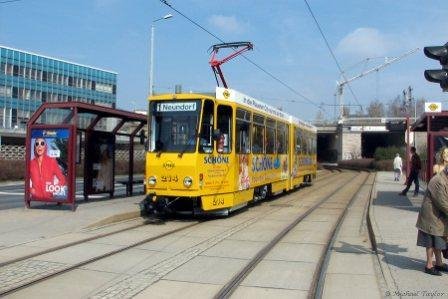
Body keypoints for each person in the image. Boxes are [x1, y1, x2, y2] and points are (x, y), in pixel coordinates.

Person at [415, 165, 448, 275]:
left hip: (438, 216)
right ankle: (429, 265)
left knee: (438, 239)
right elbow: (442, 203)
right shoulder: (439, 181)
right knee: (430, 240)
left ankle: (439, 263)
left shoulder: (444, 179)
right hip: (431, 215)